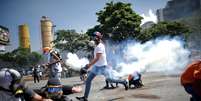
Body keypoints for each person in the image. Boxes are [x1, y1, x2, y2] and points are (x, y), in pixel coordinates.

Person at [76, 31, 128, 101]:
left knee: (110, 80)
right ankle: (85, 98)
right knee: (88, 80)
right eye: (93, 37)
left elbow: (97, 58)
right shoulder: (97, 46)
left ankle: (124, 82)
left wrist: (88, 65)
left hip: (102, 67)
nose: (94, 38)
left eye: (95, 37)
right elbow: (95, 57)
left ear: (98, 38)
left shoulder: (100, 46)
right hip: (96, 67)